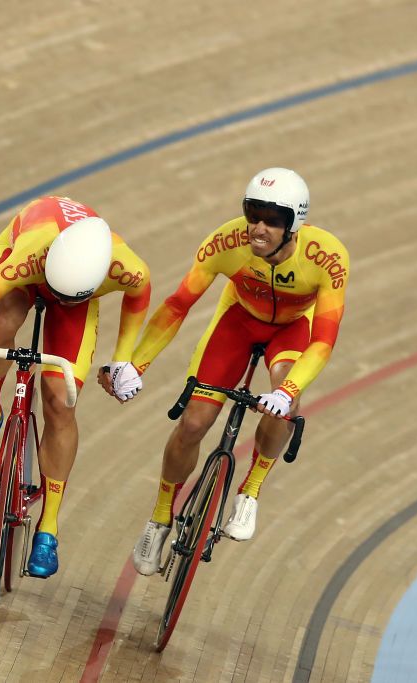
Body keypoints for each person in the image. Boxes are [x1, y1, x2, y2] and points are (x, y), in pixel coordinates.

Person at [118, 168, 350, 576]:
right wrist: (137, 365)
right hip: (237, 322)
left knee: (286, 402)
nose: (258, 227)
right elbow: (177, 305)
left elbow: (324, 341)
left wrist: (286, 390)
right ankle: (159, 518)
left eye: (272, 219)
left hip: (293, 329)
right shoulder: (226, 243)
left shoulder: (327, 257)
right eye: (252, 213)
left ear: (293, 223)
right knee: (193, 424)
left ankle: (250, 490)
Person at [0, 196, 151, 578]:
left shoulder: (126, 268)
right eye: (57, 291)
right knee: (3, 322)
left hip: (78, 297)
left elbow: (140, 297)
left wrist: (123, 359)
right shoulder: (26, 256)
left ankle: (49, 526)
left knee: (60, 403)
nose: (55, 300)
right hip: (30, 272)